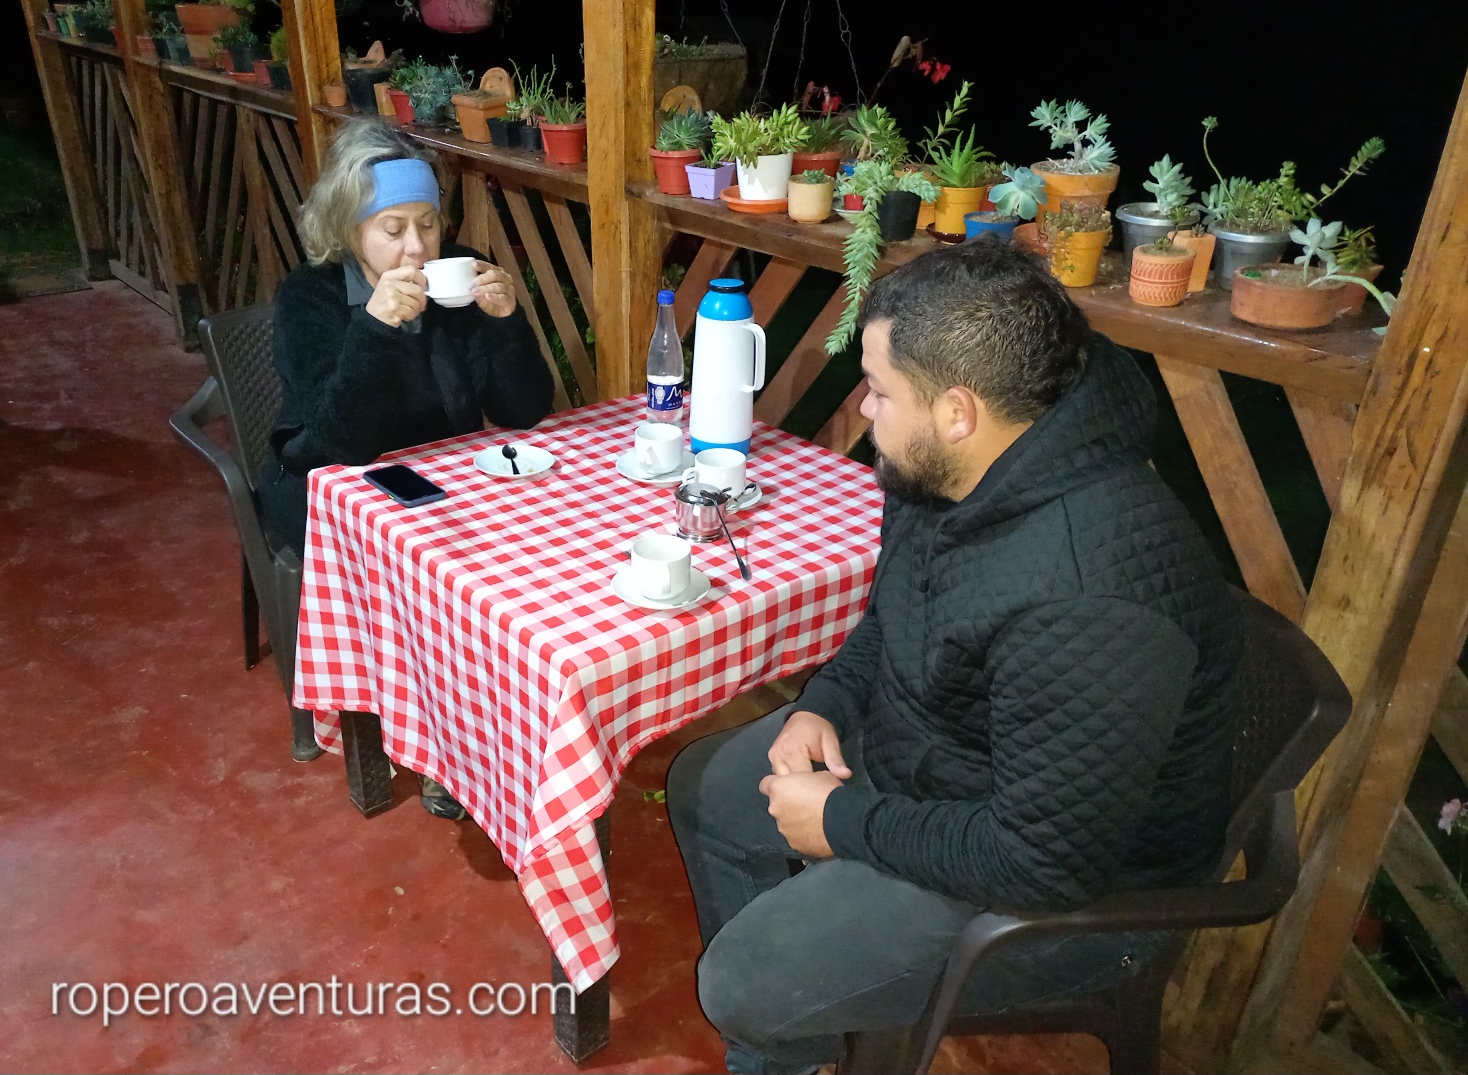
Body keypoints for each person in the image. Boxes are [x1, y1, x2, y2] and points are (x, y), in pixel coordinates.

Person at [666, 237, 1242, 1075]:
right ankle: (803, 1032)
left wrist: (842, 821)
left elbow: (1042, 860)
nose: (865, 406)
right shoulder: (957, 464)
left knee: (738, 982)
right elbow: (900, 613)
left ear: (957, 410)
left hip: (1067, 884)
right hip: (952, 752)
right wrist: (829, 696)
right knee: (709, 787)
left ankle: (778, 1018)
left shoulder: (1089, 596)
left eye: (882, 389)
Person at [258, 119, 555, 817]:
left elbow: (522, 412)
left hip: (438, 477)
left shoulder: (457, 278)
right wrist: (376, 330)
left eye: (427, 224)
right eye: (393, 228)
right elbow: (341, 438)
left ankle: (501, 725)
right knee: (425, 570)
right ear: (349, 225)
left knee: (510, 553)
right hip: (324, 484)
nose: (418, 246)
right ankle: (438, 750)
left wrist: (508, 321)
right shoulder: (311, 298)